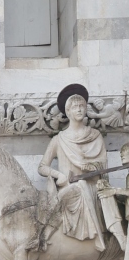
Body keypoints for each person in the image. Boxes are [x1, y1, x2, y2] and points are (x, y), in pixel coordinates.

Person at [39, 84, 108, 248]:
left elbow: (103, 165)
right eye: (75, 107)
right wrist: (58, 175)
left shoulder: (95, 135)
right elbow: (42, 167)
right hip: (68, 188)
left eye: (82, 106)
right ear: (68, 111)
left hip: (91, 187)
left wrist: (91, 167)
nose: (79, 109)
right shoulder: (59, 139)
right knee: (75, 188)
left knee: (83, 185)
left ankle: (99, 236)